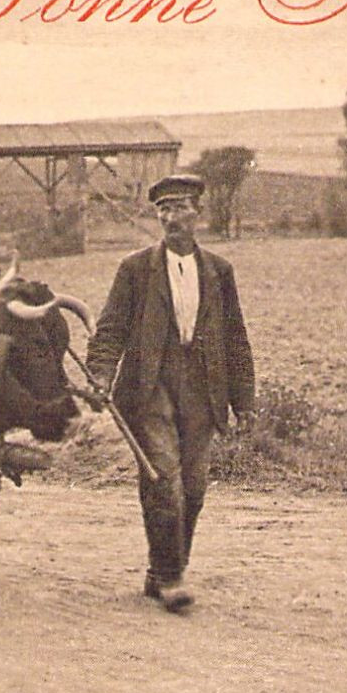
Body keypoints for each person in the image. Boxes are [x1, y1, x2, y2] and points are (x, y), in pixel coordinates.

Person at [85, 174, 255, 612]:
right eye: (163, 209)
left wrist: (244, 402)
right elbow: (110, 330)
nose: (170, 218)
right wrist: (100, 375)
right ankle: (172, 576)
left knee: (194, 488)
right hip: (149, 387)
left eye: (179, 208)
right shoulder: (135, 269)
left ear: (197, 213)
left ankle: (161, 568)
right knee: (164, 479)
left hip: (203, 389)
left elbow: (235, 338)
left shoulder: (219, 272)